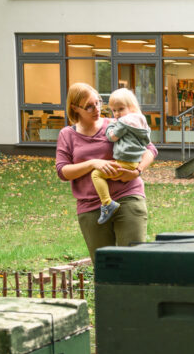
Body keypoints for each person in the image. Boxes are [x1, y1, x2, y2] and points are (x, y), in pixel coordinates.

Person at [55, 82, 156, 263]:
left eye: (98, 102)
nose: (97, 109)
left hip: (127, 196)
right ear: (74, 108)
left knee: (134, 262)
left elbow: (149, 149)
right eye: (89, 106)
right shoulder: (67, 135)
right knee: (106, 268)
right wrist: (93, 164)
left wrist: (137, 171)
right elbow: (63, 171)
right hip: (91, 207)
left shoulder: (117, 124)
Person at [92, 88, 151, 224]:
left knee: (96, 174)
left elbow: (112, 137)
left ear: (131, 107)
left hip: (126, 161)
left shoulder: (124, 122)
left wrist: (110, 127)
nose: (117, 114)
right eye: (114, 110)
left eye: (121, 109)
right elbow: (147, 141)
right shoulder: (141, 120)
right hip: (134, 161)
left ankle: (107, 203)